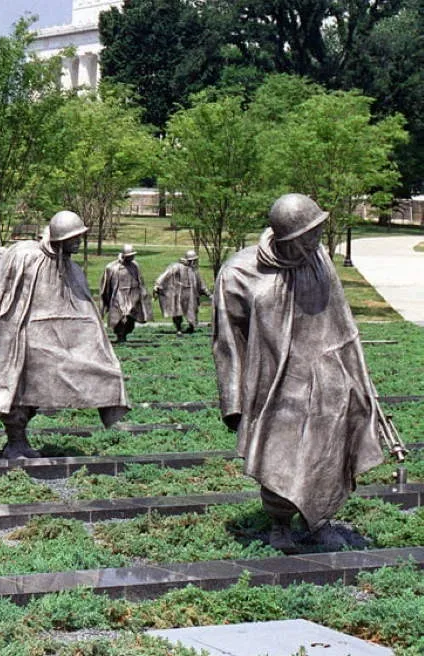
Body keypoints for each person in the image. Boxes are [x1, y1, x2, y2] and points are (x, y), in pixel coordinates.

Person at [213, 193, 383, 553]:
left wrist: (357, 376)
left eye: (317, 233)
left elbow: (342, 321)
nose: (314, 242)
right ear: (284, 238)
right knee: (279, 453)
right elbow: (228, 340)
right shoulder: (239, 272)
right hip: (273, 383)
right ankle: (279, 523)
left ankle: (319, 519)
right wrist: (233, 402)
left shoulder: (319, 261)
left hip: (326, 378)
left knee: (327, 450)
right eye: (305, 237)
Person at [0, 211, 130, 460]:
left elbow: (85, 311)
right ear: (59, 239)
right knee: (17, 391)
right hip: (22, 335)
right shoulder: (24, 254)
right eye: (73, 238)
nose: (78, 243)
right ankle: (15, 441)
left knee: (98, 370)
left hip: (52, 340)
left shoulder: (72, 268)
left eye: (80, 237)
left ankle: (19, 441)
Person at [100, 243, 152, 342]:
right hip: (118, 296)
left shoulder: (135, 266)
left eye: (133, 255)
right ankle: (120, 336)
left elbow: (140, 281)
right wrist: (106, 301)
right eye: (130, 256)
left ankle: (125, 335)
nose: (132, 257)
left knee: (130, 319)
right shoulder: (112, 267)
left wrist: (142, 295)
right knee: (120, 318)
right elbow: (105, 287)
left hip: (133, 296)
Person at [155, 249, 209, 333]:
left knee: (192, 311)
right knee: (177, 312)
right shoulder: (176, 267)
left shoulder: (194, 270)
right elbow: (166, 275)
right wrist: (158, 284)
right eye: (193, 260)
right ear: (189, 260)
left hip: (191, 295)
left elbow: (201, 283)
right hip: (179, 295)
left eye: (195, 260)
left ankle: (191, 327)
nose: (194, 262)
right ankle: (178, 329)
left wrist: (208, 293)